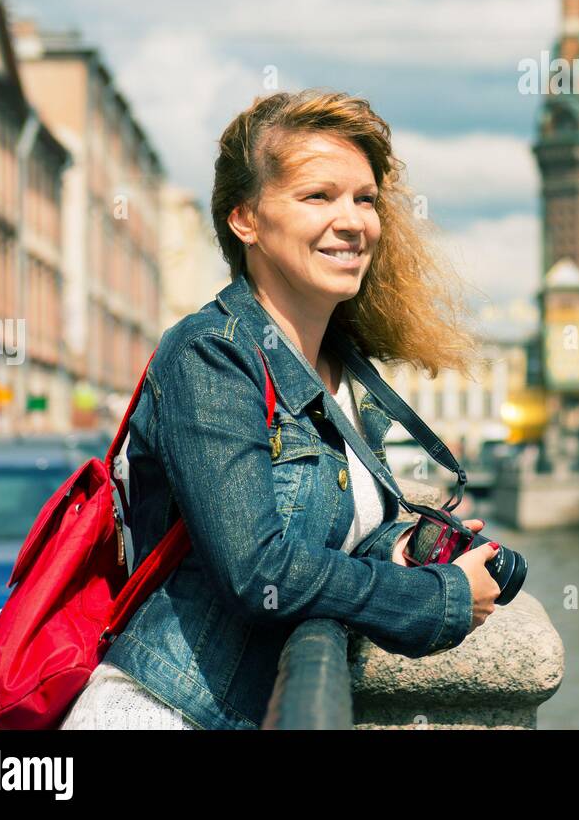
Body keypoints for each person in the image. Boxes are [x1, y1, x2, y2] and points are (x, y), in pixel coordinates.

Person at [60, 89, 501, 729]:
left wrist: (397, 549)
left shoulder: (344, 370)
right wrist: (437, 598)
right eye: (318, 196)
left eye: (365, 199)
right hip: (165, 714)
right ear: (246, 220)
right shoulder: (210, 354)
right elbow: (257, 568)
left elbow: (320, 536)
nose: (353, 221)